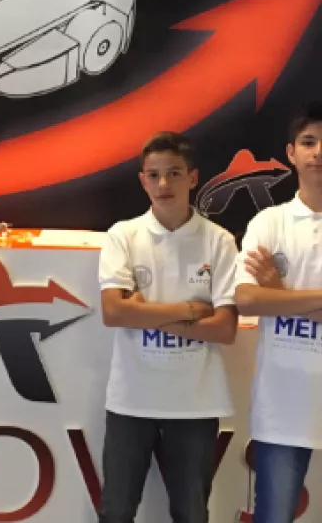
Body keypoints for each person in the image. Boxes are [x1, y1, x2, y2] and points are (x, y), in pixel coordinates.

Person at [97, 131, 239, 523]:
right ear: (142, 180)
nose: (164, 184)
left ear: (192, 178)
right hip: (132, 399)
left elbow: (225, 329)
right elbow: (114, 313)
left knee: (191, 513)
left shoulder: (219, 241)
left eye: (174, 173)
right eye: (154, 175)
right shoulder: (123, 236)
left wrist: (145, 311)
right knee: (116, 511)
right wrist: (191, 310)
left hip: (195, 402)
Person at [235, 102, 322, 523]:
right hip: (284, 404)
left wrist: (280, 294)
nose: (318, 152)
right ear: (291, 152)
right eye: (309, 142)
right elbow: (246, 300)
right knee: (274, 516)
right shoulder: (269, 222)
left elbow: (264, 298)